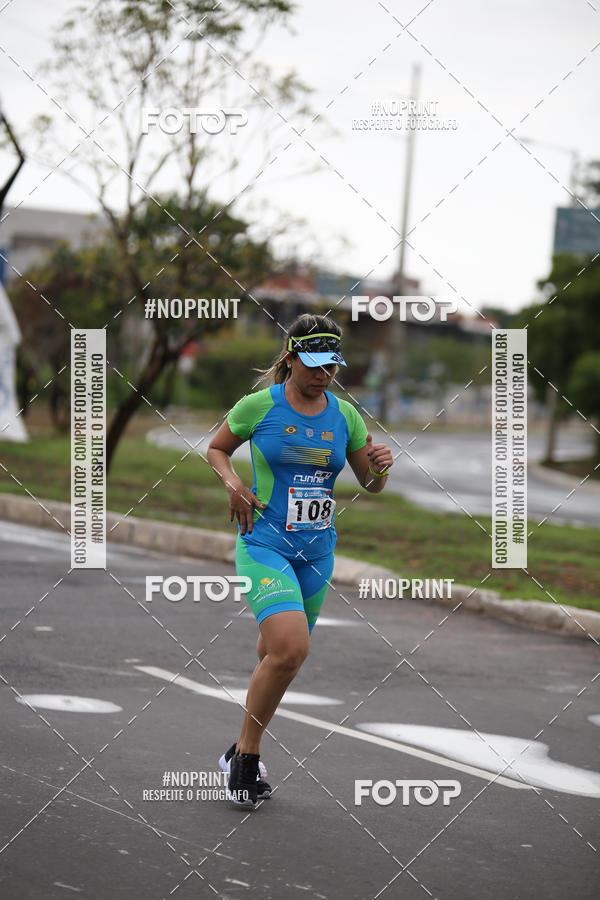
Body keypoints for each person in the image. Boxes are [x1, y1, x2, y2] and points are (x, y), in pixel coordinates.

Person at [206, 313, 393, 808]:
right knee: (290, 651)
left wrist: (381, 470)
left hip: (317, 552)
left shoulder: (345, 416)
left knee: (277, 656)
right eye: (313, 363)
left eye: (332, 364)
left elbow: (369, 484)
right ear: (290, 359)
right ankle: (246, 758)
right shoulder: (258, 406)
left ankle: (237, 750)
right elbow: (217, 448)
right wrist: (234, 485)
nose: (323, 373)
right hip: (263, 543)